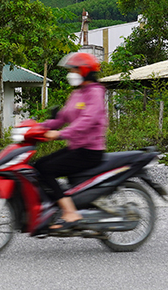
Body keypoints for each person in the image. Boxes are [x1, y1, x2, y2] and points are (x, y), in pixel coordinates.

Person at [34, 52, 108, 231]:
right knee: (37, 166)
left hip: (89, 151)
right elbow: (61, 118)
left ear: (84, 70)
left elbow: (87, 120)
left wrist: (60, 134)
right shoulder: (77, 93)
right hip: (76, 148)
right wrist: (37, 127)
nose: (71, 73)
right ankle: (53, 208)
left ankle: (70, 213)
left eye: (74, 69)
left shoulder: (95, 93)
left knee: (46, 169)